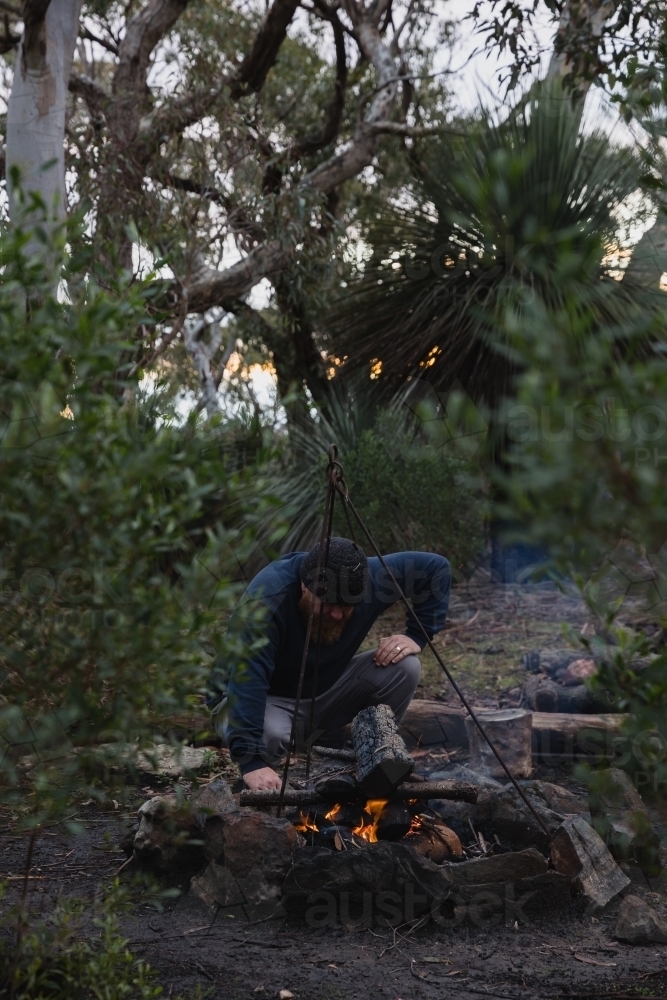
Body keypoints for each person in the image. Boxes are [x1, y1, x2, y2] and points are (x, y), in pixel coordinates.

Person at [207, 537, 450, 791]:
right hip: (258, 699)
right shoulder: (268, 598)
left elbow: (436, 569)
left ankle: (367, 762)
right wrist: (251, 761)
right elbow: (248, 680)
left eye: (347, 607)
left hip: (322, 692)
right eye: (329, 604)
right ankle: (263, 785)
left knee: (405, 667)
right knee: (272, 734)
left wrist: (417, 635)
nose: (337, 615)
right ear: (304, 586)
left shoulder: (370, 579)